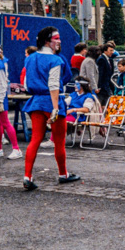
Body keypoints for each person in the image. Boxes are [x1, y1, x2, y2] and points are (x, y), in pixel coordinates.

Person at [22, 27, 81, 190]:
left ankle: (27, 176)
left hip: (36, 101)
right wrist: (55, 108)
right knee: (59, 141)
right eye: (56, 38)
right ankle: (63, 174)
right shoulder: (55, 60)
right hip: (52, 101)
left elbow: (26, 83)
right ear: (47, 41)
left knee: (35, 139)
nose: (59, 41)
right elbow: (53, 85)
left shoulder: (30, 58)